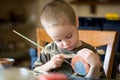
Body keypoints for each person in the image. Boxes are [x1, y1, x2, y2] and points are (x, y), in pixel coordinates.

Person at [33, 0, 106, 79]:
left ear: (76, 22)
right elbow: (34, 73)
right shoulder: (49, 50)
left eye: (69, 36)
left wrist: (95, 65)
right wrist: (49, 65)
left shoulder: (90, 52)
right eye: (58, 40)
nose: (65, 43)